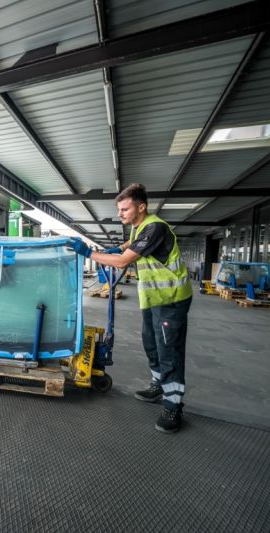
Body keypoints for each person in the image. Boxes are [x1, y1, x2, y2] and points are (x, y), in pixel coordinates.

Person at [69, 183, 193, 433]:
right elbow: (130, 245)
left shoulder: (156, 226)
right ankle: (158, 385)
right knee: (151, 344)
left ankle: (173, 405)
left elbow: (125, 261)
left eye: (125, 209)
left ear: (141, 207)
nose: (121, 214)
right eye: (119, 210)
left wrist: (89, 253)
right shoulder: (140, 228)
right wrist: (118, 247)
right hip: (155, 299)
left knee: (169, 351)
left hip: (171, 300)